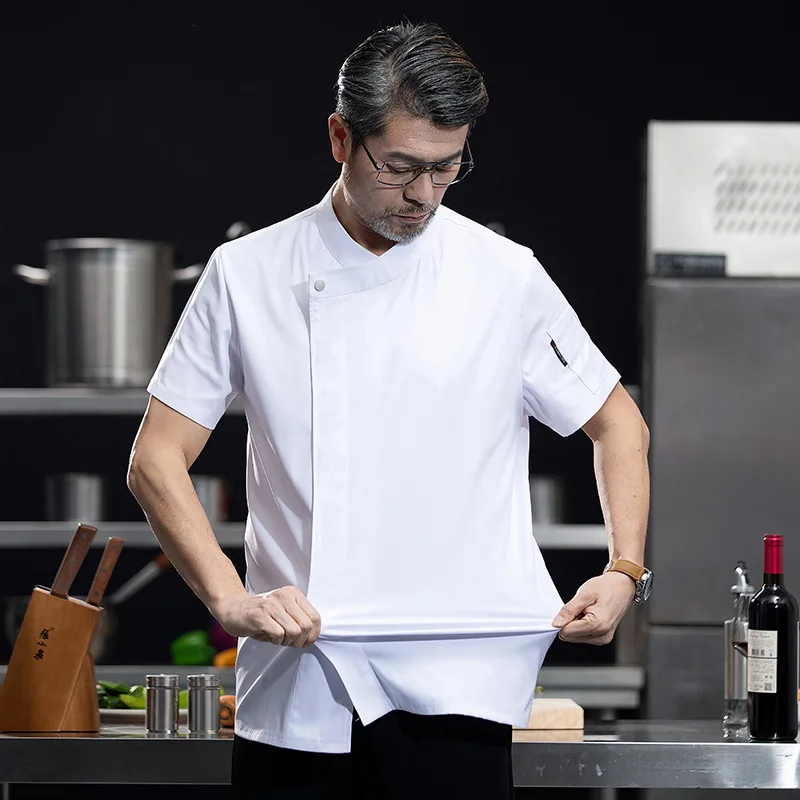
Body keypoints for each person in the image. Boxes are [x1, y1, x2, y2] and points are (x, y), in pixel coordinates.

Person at [127, 20, 651, 799]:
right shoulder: (249, 273)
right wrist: (229, 599)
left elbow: (619, 424)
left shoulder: (503, 277)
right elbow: (155, 458)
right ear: (341, 137)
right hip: (304, 684)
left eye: (447, 169)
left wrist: (624, 569)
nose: (423, 196)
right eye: (400, 166)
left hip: (463, 684)